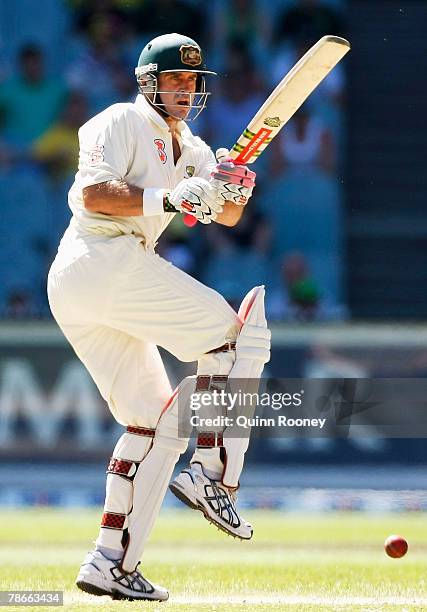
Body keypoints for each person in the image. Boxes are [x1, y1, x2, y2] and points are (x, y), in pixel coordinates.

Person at [47, 33, 270, 602]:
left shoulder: (192, 148)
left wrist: (234, 189)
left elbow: (220, 212)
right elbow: (95, 194)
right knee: (229, 334)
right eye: (174, 79)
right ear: (148, 81)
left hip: (96, 282)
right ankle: (212, 472)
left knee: (152, 423)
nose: (185, 89)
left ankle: (110, 562)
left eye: (192, 81)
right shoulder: (117, 120)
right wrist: (171, 200)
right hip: (99, 257)